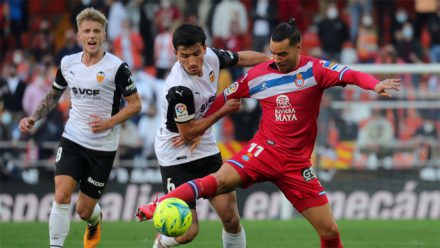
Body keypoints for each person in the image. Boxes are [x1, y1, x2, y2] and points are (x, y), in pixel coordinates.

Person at [137, 18, 400, 247]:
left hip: (297, 164)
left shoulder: (315, 70)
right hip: (263, 151)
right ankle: (155, 206)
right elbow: (225, 98)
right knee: (216, 183)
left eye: (282, 54)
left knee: (330, 230)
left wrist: (374, 84)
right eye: (272, 53)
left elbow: (350, 73)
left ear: (298, 48)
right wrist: (201, 127)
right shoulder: (250, 78)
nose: (276, 60)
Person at [139, 23, 270, 248]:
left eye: (196, 53)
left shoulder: (212, 57)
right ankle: (161, 242)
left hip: (205, 146)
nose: (191, 61)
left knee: (231, 219)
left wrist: (272, 60)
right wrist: (224, 111)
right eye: (184, 56)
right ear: (175, 54)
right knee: (189, 231)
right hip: (175, 153)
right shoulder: (179, 89)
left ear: (205, 48)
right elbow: (188, 133)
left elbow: (241, 58)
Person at [19, 8, 141, 248]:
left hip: (103, 147)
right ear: (79, 36)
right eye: (87, 31)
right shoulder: (68, 63)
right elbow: (54, 96)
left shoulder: (117, 68)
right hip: (73, 138)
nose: (92, 35)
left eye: (96, 31)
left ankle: (95, 219)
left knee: (84, 211)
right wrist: (34, 117)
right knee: (62, 194)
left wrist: (108, 122)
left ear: (104, 34)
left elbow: (136, 105)